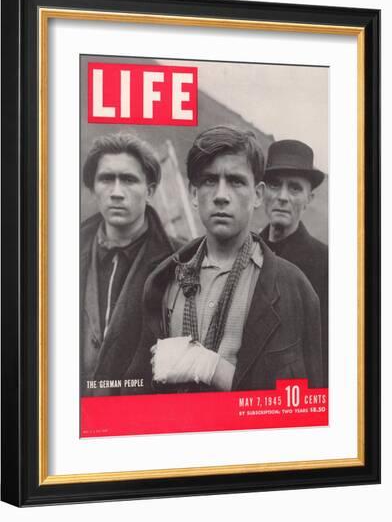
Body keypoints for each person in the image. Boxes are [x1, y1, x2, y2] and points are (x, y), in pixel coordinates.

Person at [126, 126, 323, 393]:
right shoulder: (162, 281)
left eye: (236, 181)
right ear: (194, 195)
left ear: (257, 195)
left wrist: (210, 367)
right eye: (209, 180)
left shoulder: (294, 288)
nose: (221, 195)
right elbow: (136, 394)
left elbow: (303, 402)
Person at [80, 132, 181, 396]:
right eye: (106, 179)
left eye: (128, 180)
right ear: (92, 188)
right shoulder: (60, 255)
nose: (116, 192)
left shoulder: (181, 260)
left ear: (149, 190)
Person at [260, 139, 328, 386]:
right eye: (275, 185)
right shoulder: (245, 254)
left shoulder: (326, 264)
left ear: (309, 198)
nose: (282, 197)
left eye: (295, 188)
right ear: (261, 191)